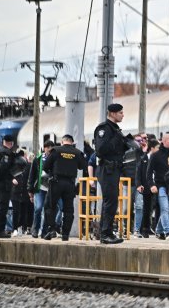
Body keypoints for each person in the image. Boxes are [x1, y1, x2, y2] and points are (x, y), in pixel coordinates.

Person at [93, 103, 128, 244]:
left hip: (114, 169)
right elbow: (101, 149)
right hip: (106, 169)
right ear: (112, 114)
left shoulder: (115, 130)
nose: (122, 115)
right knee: (110, 201)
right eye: (120, 112)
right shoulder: (104, 129)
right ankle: (105, 233)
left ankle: (105, 232)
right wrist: (117, 139)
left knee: (112, 201)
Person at [41, 134, 87, 241]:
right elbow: (83, 167)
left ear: (62, 142)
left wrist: (52, 172)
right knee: (68, 209)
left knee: (49, 206)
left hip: (56, 182)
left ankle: (52, 229)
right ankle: (65, 234)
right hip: (70, 184)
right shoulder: (77, 152)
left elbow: (45, 167)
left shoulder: (55, 150)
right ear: (72, 142)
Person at [147, 132, 169, 240]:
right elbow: (148, 173)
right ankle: (168, 231)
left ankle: (159, 230)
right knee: (165, 208)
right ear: (164, 141)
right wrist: (151, 185)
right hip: (161, 186)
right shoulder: (155, 156)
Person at [0, 135, 18, 238]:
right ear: (10, 143)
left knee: (1, 206)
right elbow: (3, 168)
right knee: (2, 206)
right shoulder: (7, 153)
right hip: (4, 183)